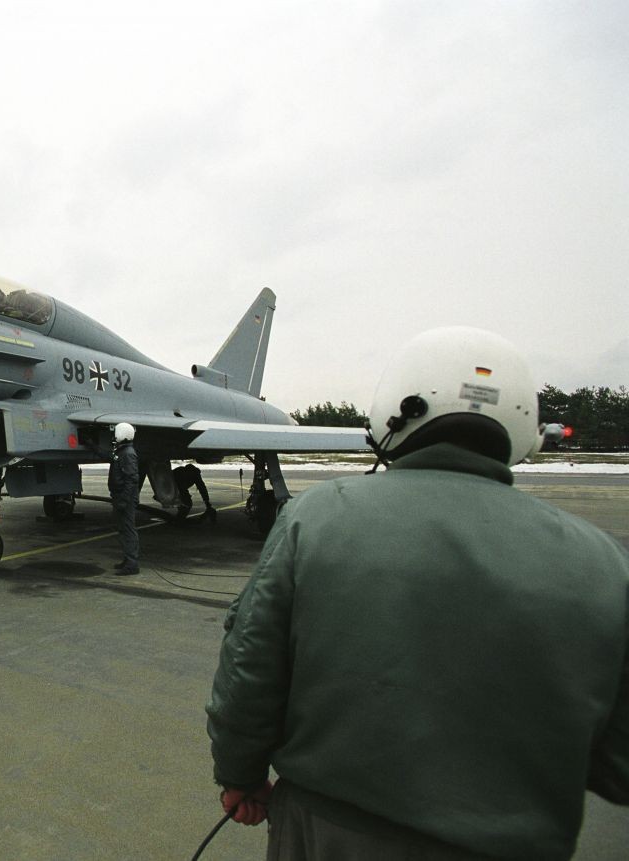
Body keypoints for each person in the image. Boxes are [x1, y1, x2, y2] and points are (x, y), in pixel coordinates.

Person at [206, 326, 629, 860]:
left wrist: (239, 776)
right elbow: (620, 766)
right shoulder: (605, 563)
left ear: (391, 415)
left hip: (326, 834)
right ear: (525, 428)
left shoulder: (313, 519)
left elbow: (249, 675)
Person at [108, 422, 141, 575]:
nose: (115, 435)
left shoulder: (128, 453)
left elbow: (132, 479)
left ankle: (132, 564)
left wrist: (124, 500)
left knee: (128, 530)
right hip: (120, 496)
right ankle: (128, 559)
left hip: (125, 499)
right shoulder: (122, 451)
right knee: (122, 529)